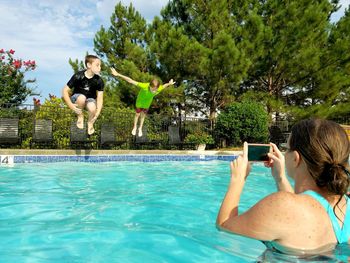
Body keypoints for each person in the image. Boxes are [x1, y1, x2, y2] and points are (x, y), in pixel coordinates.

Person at [216, 118, 350, 255]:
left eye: (286, 148)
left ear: (295, 158)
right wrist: (280, 178)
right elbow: (301, 209)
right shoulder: (346, 204)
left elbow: (224, 225)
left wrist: (238, 178)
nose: (284, 153)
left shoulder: (282, 205)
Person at [110, 68, 175, 137]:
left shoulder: (158, 88)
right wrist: (118, 74)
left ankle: (140, 128)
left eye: (155, 89)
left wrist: (169, 83)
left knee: (143, 116)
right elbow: (130, 81)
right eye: (153, 89)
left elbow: (164, 86)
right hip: (139, 102)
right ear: (150, 86)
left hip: (147, 104)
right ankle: (134, 127)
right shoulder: (144, 86)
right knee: (137, 115)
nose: (154, 91)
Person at [62, 55, 104, 135]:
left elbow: (100, 98)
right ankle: (80, 116)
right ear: (89, 65)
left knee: (92, 108)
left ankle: (90, 122)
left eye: (100, 65)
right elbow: (65, 91)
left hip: (90, 99)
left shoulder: (99, 81)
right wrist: (71, 106)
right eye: (97, 65)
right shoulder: (78, 76)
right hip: (77, 98)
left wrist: (97, 113)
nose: (100, 67)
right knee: (82, 98)